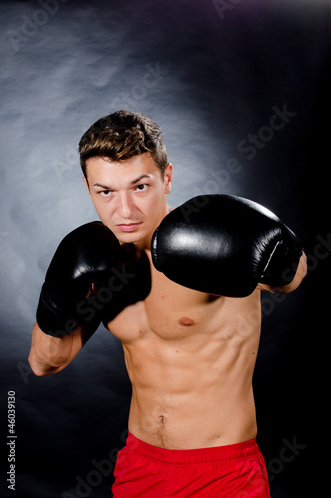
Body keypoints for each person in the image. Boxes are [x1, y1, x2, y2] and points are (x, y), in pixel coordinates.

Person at [28, 110, 307, 497]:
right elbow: (45, 363)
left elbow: (291, 277)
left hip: (222, 472)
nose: (124, 211)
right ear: (88, 188)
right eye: (105, 192)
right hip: (139, 466)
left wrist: (279, 257)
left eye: (139, 187)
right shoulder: (99, 259)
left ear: (167, 178)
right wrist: (57, 294)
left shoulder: (207, 240)